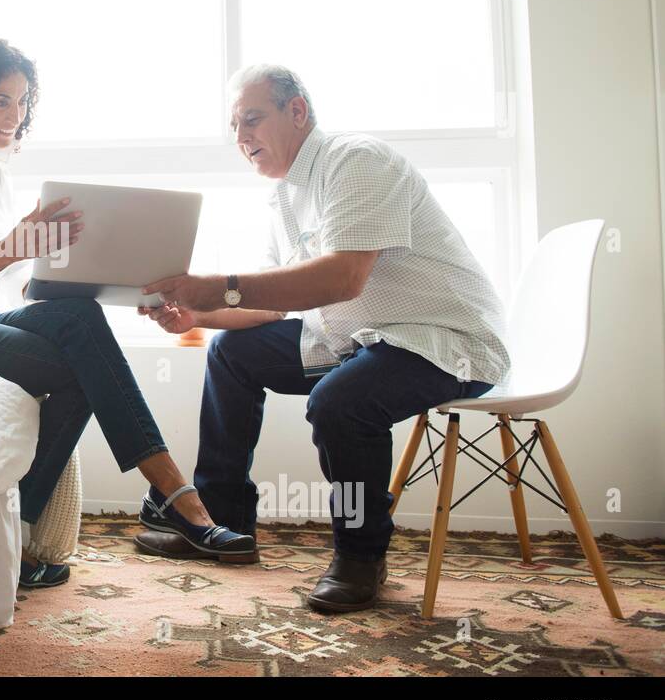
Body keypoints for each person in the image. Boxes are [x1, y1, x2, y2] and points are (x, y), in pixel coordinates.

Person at [0, 35, 253, 589]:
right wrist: (20, 244)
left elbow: (5, 290)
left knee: (79, 319)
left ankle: (23, 539)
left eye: (22, 102)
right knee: (80, 364)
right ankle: (177, 496)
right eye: (1, 100)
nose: (14, 115)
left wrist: (97, 280)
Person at [138, 63, 508, 612]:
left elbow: (343, 278)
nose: (241, 138)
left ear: (297, 111)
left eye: (252, 119)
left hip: (444, 341)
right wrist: (197, 316)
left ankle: (361, 556)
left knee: (340, 402)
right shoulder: (287, 196)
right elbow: (270, 305)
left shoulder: (356, 161)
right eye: (234, 127)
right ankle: (221, 521)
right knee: (231, 353)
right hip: (362, 339)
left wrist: (216, 287)